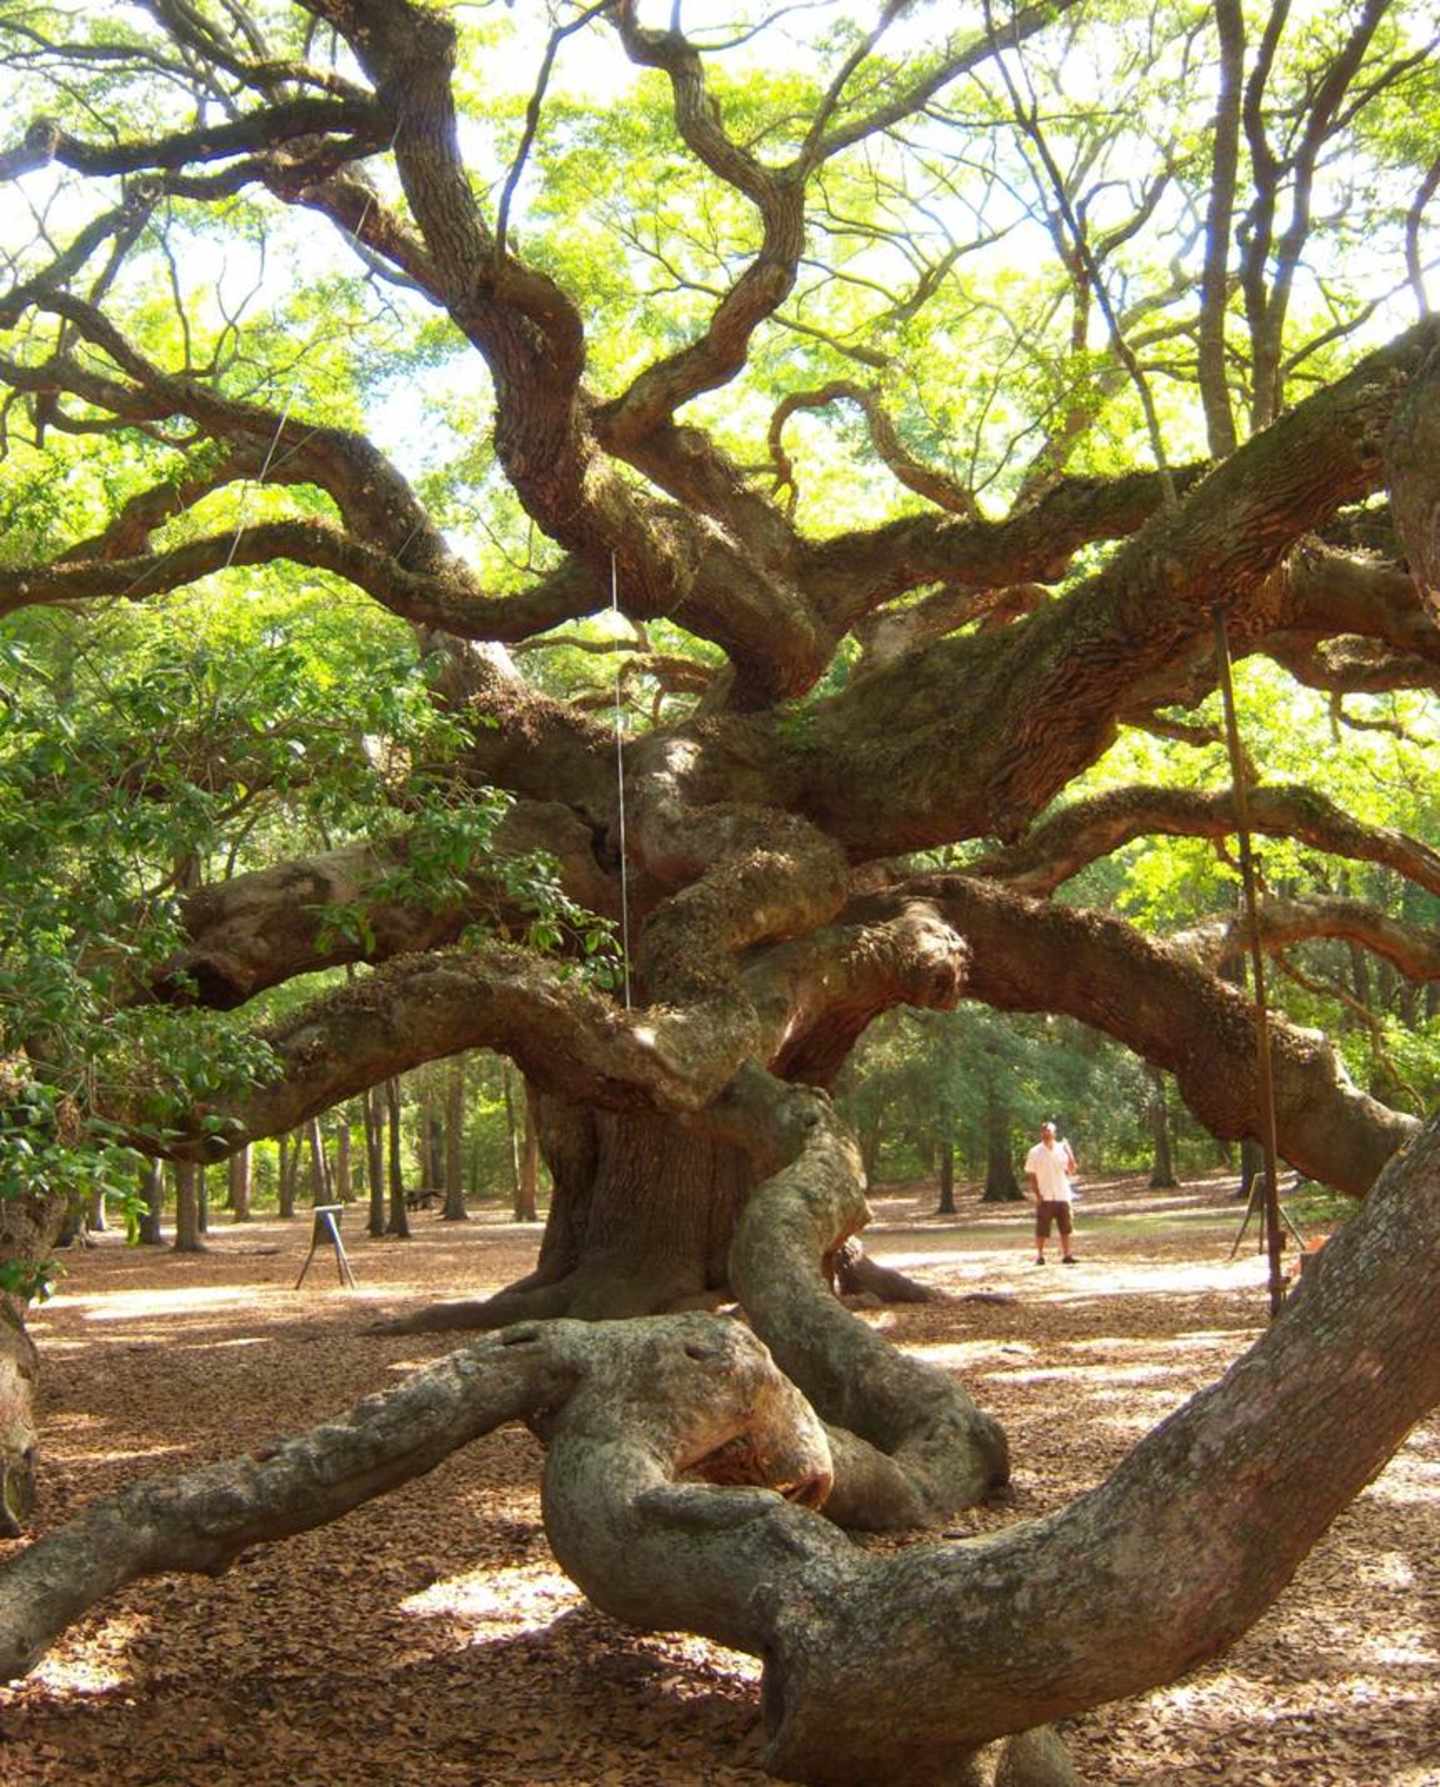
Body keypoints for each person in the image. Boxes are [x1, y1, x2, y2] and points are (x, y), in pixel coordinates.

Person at [1024, 1120, 1080, 1266]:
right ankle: (1040, 1255)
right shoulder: (1035, 1152)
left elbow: (1072, 1169)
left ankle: (1067, 1254)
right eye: (1044, 1131)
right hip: (1045, 1195)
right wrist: (1037, 1195)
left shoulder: (1062, 1150)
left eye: (1049, 1131)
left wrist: (1069, 1151)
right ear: (1041, 1133)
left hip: (1062, 1194)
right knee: (1042, 1229)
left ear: (1054, 1133)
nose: (1046, 1134)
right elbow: (1031, 1175)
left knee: (1066, 1228)